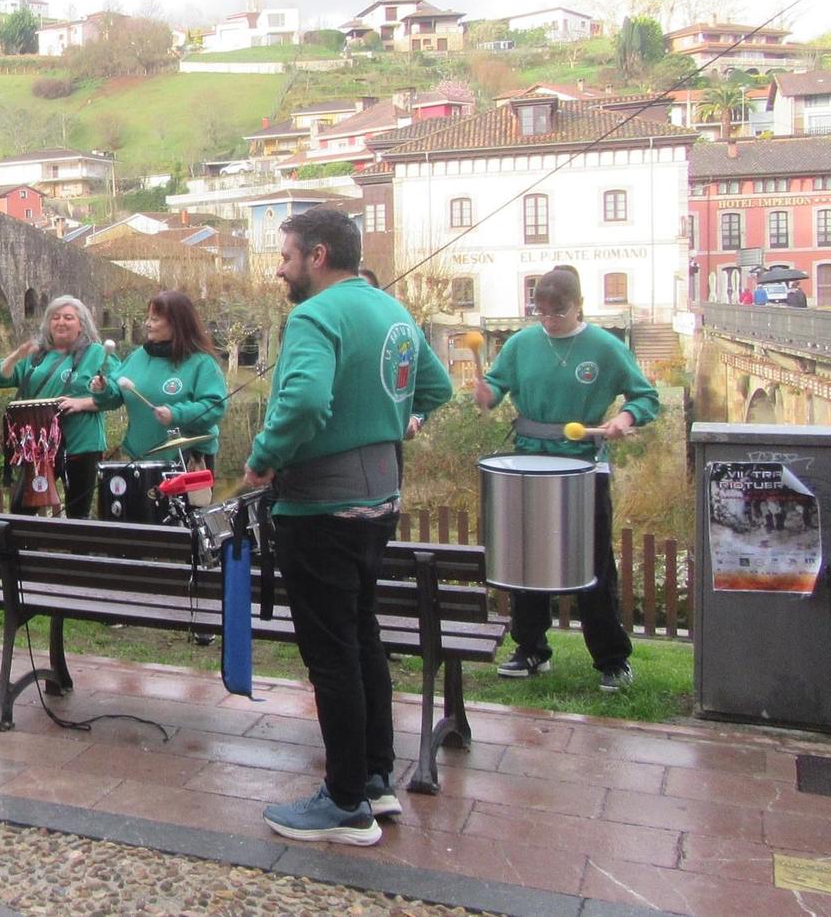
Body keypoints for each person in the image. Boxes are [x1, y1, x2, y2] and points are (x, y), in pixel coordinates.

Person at [241, 207, 451, 846]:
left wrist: (262, 460)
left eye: (285, 256)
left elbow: (304, 401)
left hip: (320, 511)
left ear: (319, 255)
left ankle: (342, 805)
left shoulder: (313, 316)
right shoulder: (392, 312)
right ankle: (373, 781)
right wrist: (397, 423)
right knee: (362, 640)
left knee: (332, 654)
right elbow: (435, 391)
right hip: (379, 503)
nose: (280, 269)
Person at [476, 267, 657, 692]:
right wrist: (485, 394)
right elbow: (495, 387)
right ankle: (531, 648)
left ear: (579, 305)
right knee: (528, 559)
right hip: (529, 461)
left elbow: (645, 396)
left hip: (584, 467)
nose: (550, 320)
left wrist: (625, 417)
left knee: (592, 563)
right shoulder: (521, 344)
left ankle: (612, 659)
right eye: (542, 312)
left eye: (559, 312)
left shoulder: (605, 347)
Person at [0, 296, 111, 518]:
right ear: (48, 323)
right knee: (21, 509)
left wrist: (82, 402)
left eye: (68, 318)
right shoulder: (37, 355)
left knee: (77, 513)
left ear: (81, 324)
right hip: (41, 447)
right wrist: (17, 356)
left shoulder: (97, 353)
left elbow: (116, 395)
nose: (61, 322)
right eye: (55, 318)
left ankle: (76, 553)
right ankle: (26, 553)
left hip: (82, 444)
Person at [90, 289, 225, 470]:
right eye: (148, 318)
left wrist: (176, 414)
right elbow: (114, 395)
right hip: (139, 459)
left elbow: (214, 407)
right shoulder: (138, 356)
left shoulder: (202, 362)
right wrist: (103, 389)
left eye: (154, 319)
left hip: (188, 461)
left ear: (177, 324)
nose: (147, 324)